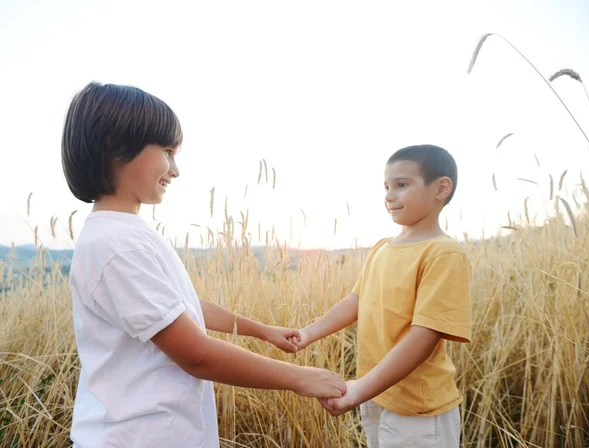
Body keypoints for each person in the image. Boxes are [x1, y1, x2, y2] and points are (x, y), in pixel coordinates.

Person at [62, 81, 346, 448]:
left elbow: (182, 310)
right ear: (115, 145)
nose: (175, 170)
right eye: (167, 151)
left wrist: (263, 331)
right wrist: (301, 378)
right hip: (137, 438)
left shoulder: (127, 235)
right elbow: (196, 354)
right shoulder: (116, 245)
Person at [290, 145, 472, 447]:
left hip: (417, 409)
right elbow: (356, 301)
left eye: (402, 185)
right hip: (376, 395)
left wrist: (360, 389)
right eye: (386, 187)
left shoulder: (444, 253)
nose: (389, 196)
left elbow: (424, 335)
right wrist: (308, 333)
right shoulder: (382, 248)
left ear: (441, 188)